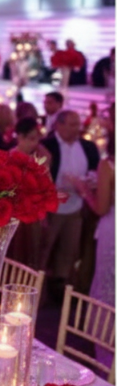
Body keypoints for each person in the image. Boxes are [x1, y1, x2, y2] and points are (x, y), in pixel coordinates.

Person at [39, 110, 101, 297]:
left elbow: (95, 171)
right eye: (72, 125)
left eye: (78, 124)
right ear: (59, 125)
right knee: (44, 248)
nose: (77, 129)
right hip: (51, 207)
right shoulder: (47, 145)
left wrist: (89, 182)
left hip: (75, 206)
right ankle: (38, 287)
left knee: (69, 249)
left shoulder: (88, 147)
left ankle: (60, 287)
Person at [73, 132, 114, 364]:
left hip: (112, 231)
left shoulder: (108, 165)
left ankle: (107, 356)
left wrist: (84, 190)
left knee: (108, 288)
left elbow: (101, 208)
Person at [7, 117, 51, 266]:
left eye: (37, 139)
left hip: (33, 215)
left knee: (31, 256)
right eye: (31, 139)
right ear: (20, 137)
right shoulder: (10, 158)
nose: (35, 143)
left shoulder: (38, 158)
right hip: (15, 216)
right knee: (15, 256)